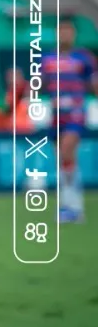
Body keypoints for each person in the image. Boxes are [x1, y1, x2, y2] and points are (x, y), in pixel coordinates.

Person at [48, 18, 97, 224]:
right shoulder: (46, 58)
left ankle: (72, 206)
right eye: (62, 31)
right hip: (56, 114)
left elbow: (93, 82)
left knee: (67, 149)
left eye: (69, 31)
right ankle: (71, 206)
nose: (65, 35)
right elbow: (39, 84)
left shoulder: (83, 58)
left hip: (75, 113)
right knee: (64, 159)